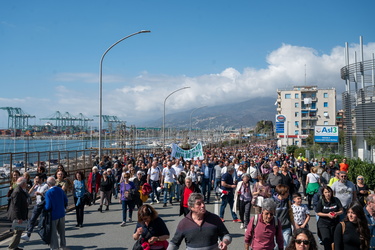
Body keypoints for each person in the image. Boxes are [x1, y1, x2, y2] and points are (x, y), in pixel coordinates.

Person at [21, 173, 49, 241]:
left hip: (44, 205)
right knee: (32, 219)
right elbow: (29, 193)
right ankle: (28, 234)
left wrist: (40, 194)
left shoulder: (45, 186)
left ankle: (46, 236)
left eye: (37, 179)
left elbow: (47, 195)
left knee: (43, 222)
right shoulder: (37, 186)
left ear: (41, 179)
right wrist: (34, 185)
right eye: (35, 179)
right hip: (37, 204)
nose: (36, 180)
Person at [315, 185, 343, 250]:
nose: (328, 194)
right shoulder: (321, 201)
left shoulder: (336, 200)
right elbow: (318, 212)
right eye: (326, 192)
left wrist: (336, 213)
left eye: (329, 192)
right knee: (327, 241)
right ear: (323, 193)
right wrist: (327, 215)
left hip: (334, 223)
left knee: (335, 242)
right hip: (323, 224)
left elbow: (341, 210)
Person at [44, 177, 68, 250]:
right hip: (61, 213)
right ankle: (63, 246)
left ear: (48, 184)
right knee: (62, 232)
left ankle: (55, 247)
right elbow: (65, 200)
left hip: (53, 215)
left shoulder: (48, 193)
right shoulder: (60, 190)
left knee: (54, 233)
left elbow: (48, 206)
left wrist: (44, 208)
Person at [8, 177, 29, 250]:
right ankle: (11, 247)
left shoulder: (21, 190)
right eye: (25, 183)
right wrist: (18, 218)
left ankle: (15, 246)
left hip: (20, 214)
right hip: (17, 215)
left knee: (19, 231)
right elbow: (16, 206)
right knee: (17, 232)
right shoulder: (17, 192)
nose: (26, 184)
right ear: (23, 183)